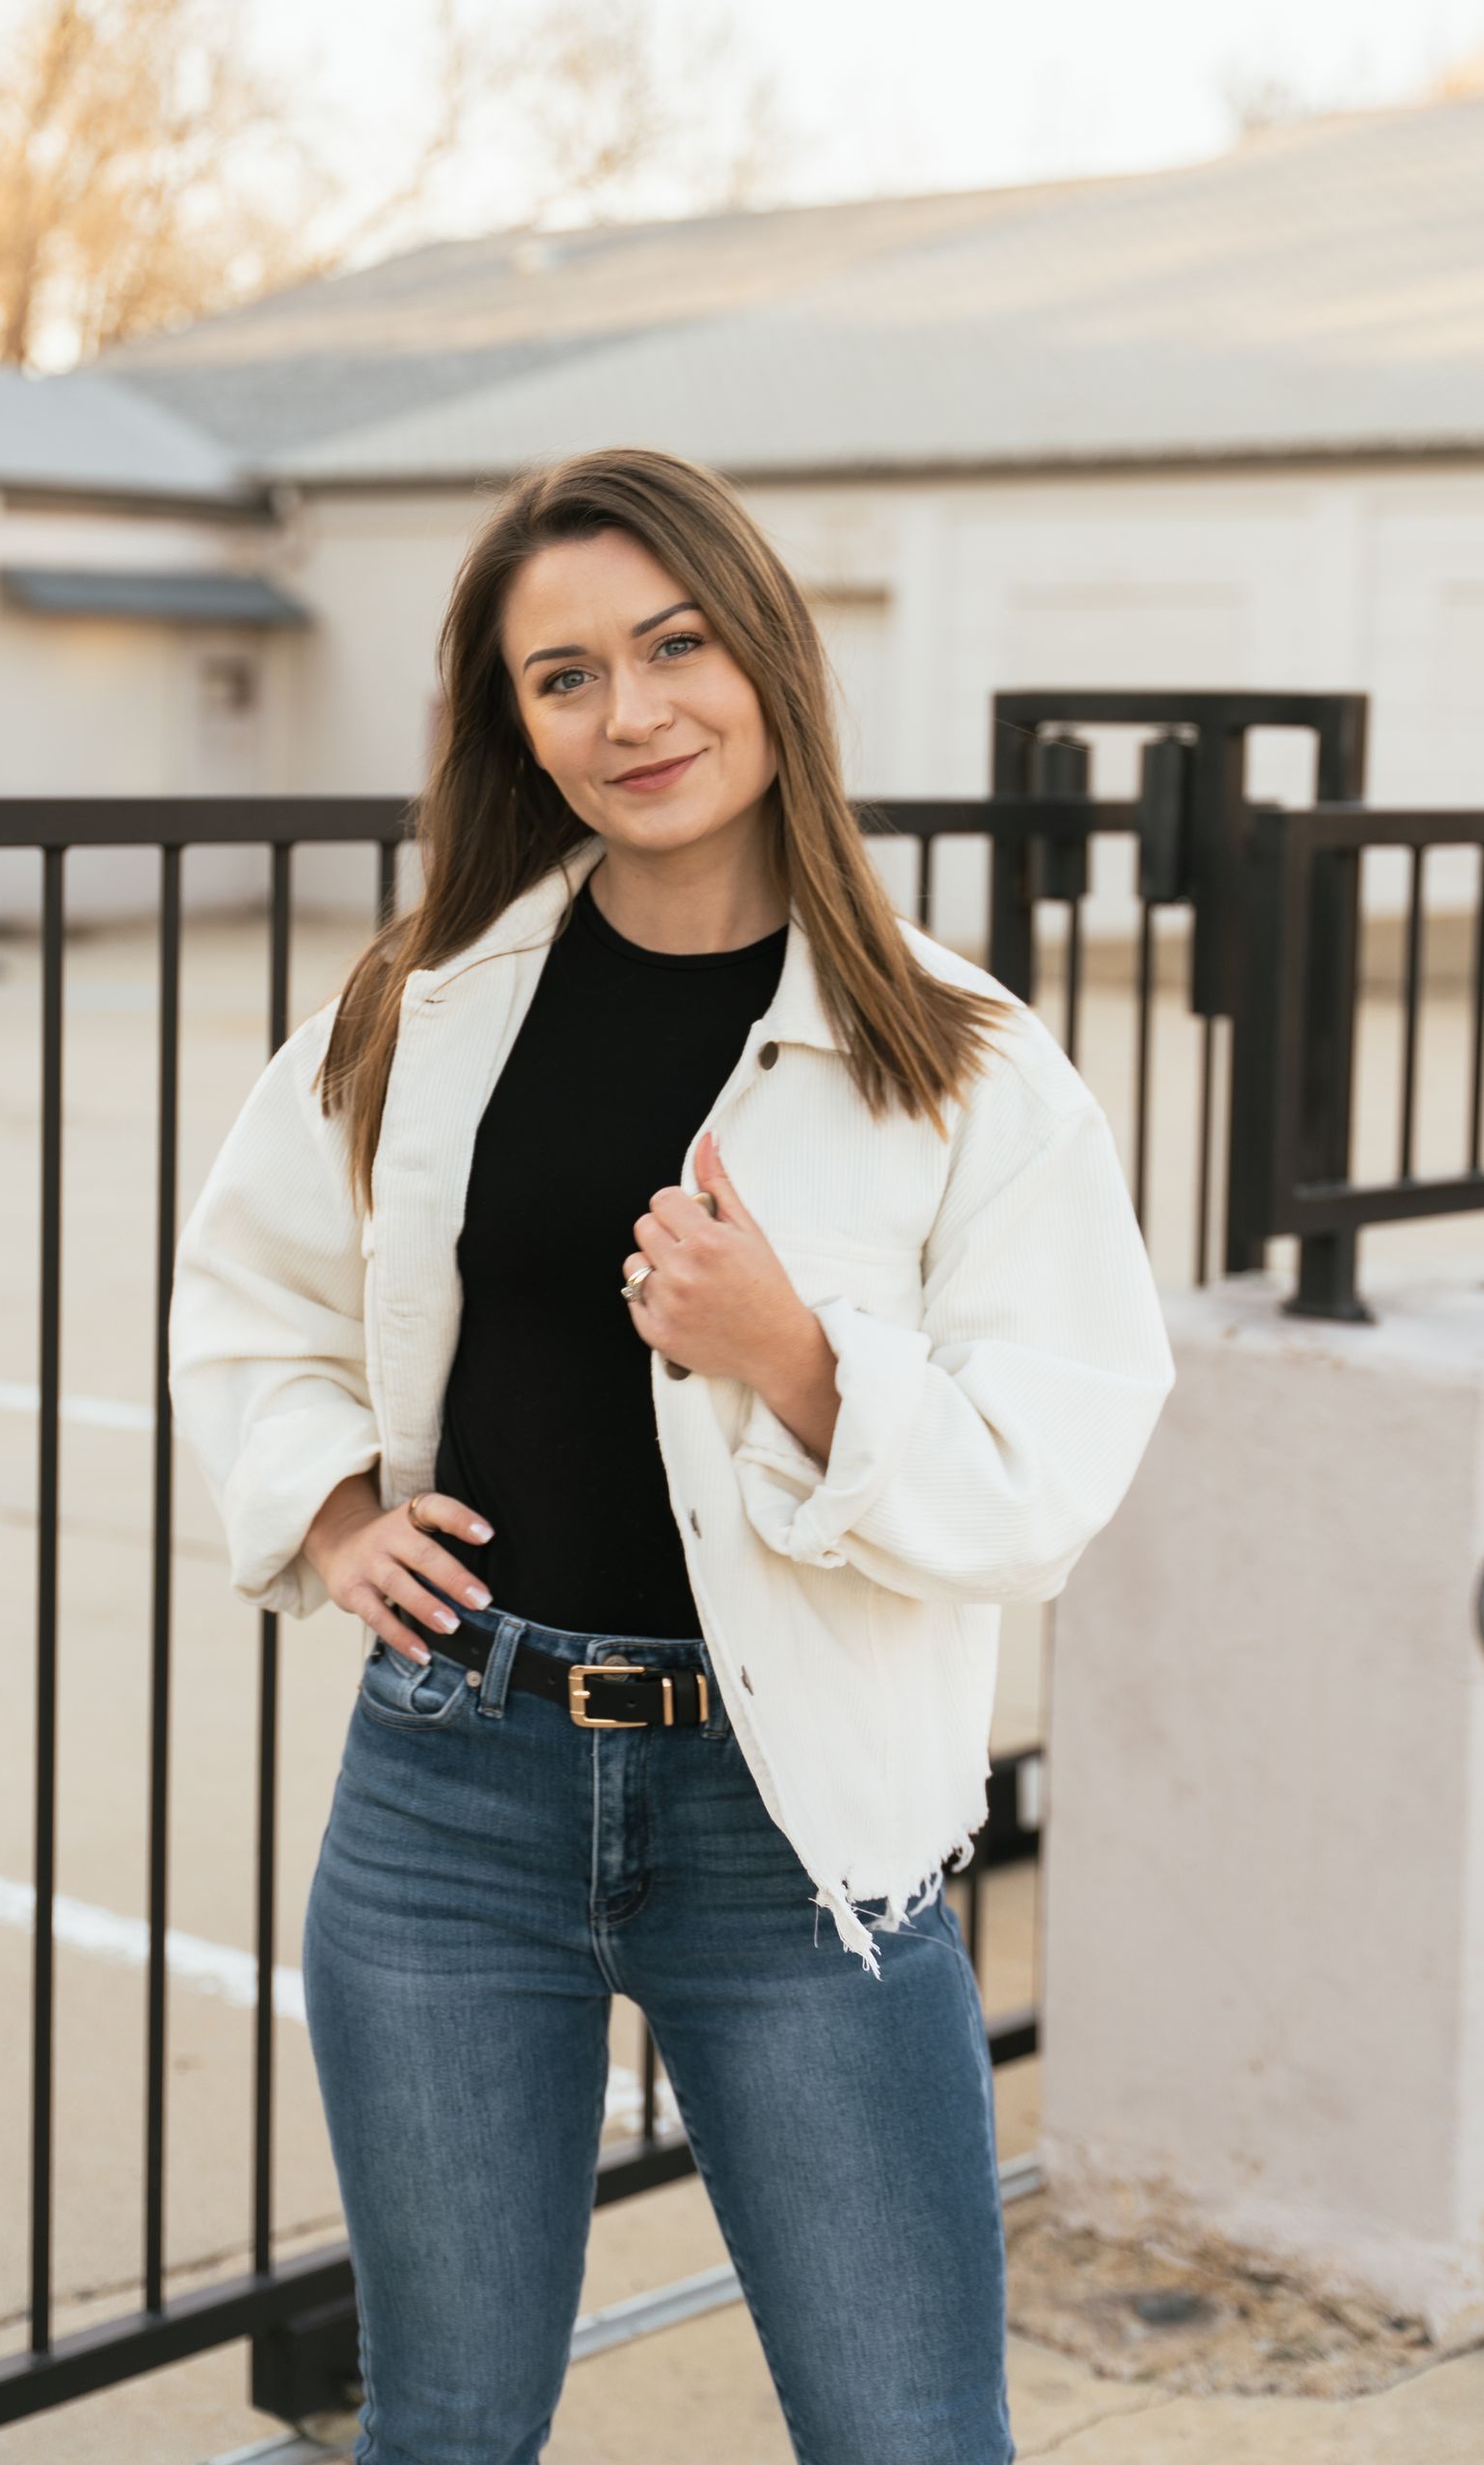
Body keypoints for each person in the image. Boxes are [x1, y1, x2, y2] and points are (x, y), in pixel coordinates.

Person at [169, 446, 1175, 2465]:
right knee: (446, 2424)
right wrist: (334, 1509)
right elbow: (253, 1293)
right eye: (564, 677)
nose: (629, 714)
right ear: (513, 722)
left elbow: (1054, 1462)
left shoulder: (960, 1057)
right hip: (455, 1790)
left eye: (675, 646)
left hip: (792, 1824)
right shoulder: (425, 1005)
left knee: (908, 2433)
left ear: (767, 655)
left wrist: (794, 1355)